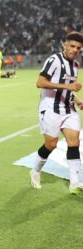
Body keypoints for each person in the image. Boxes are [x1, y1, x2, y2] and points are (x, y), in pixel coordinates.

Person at [30, 31, 83, 194]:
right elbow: (40, 82)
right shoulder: (54, 60)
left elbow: (68, 89)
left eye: (79, 48)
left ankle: (75, 182)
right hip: (50, 108)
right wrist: (68, 87)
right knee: (51, 144)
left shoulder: (75, 65)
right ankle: (35, 170)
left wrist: (77, 100)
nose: (75, 50)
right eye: (72, 46)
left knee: (74, 143)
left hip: (68, 109)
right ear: (64, 45)